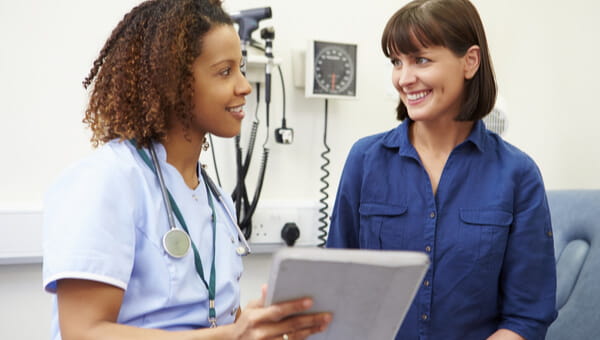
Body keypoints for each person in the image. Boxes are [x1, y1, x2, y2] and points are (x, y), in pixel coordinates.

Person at [42, 0, 331, 339]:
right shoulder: (106, 181)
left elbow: (218, 320)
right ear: (172, 83)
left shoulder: (213, 199)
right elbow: (84, 332)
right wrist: (231, 335)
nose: (244, 86)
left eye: (240, 68)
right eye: (225, 72)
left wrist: (263, 327)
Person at [326, 0, 556, 339]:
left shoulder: (518, 175)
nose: (404, 79)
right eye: (396, 62)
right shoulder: (365, 160)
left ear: (470, 61)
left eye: (421, 60)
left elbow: (527, 316)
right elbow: (336, 287)